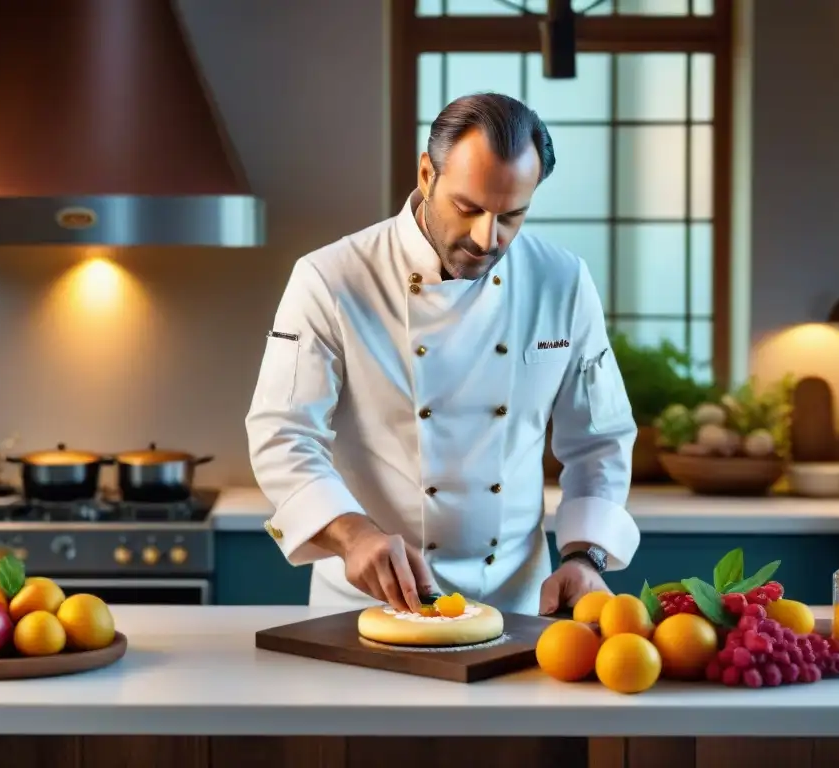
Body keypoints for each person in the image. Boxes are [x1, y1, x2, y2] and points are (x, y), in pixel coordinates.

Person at [245, 92, 640, 617]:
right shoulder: (331, 279)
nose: (487, 237)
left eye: (512, 215)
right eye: (469, 207)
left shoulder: (561, 281)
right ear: (427, 173)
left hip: (520, 608)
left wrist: (585, 556)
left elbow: (599, 439)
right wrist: (352, 535)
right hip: (369, 607)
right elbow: (283, 434)